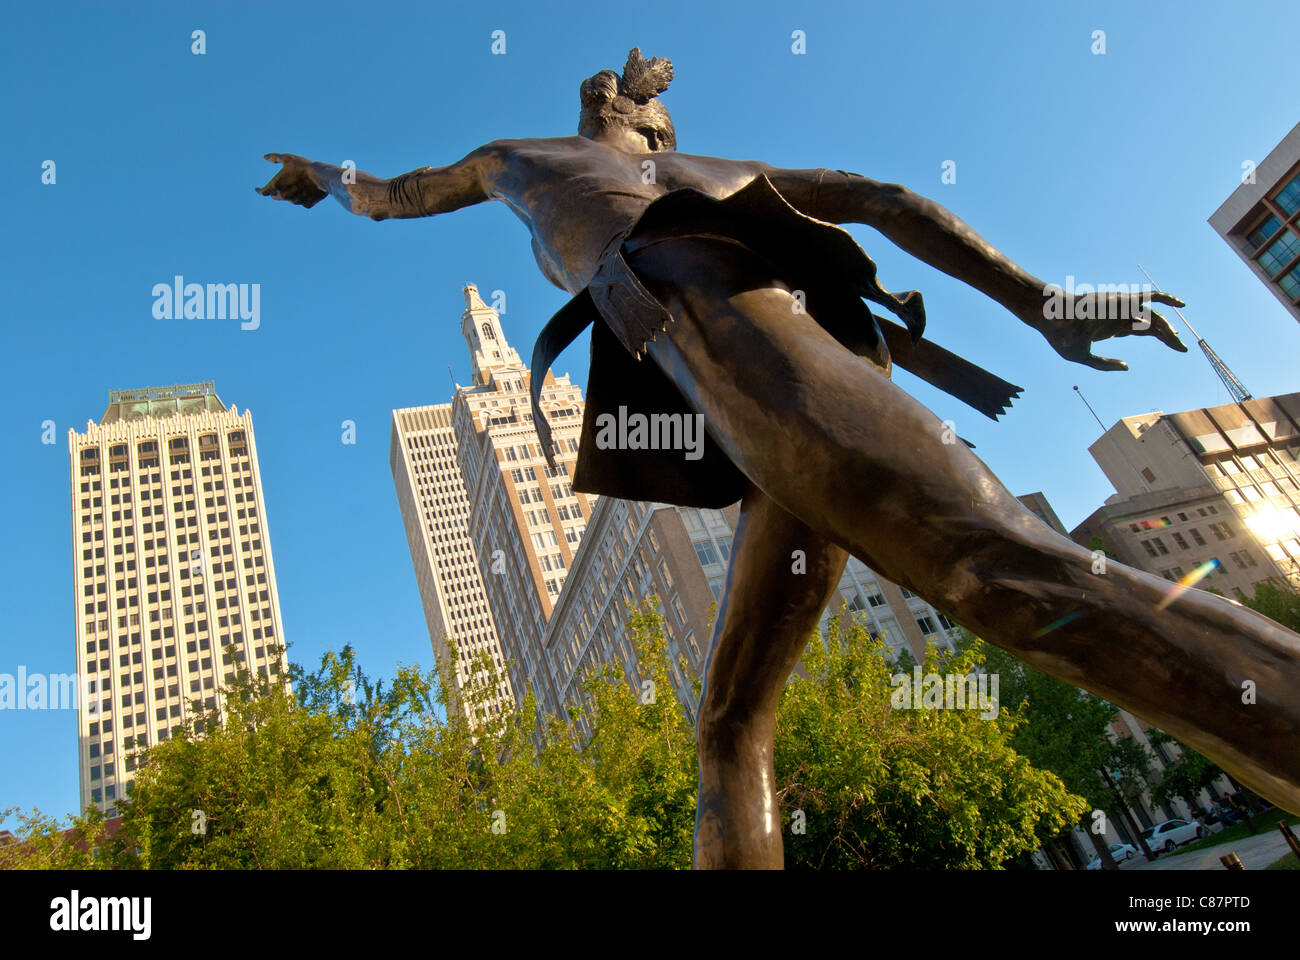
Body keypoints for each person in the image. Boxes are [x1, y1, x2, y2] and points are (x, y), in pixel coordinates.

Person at [258, 48, 1300, 868]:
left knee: (1006, 573)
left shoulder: (627, 166)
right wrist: (322, 171)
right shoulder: (541, 159)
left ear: (648, 129)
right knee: (728, 726)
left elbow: (886, 199)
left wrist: (1049, 304)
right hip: (748, 417)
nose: (613, 94)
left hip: (765, 363)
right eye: (616, 90)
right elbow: (391, 193)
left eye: (632, 99)